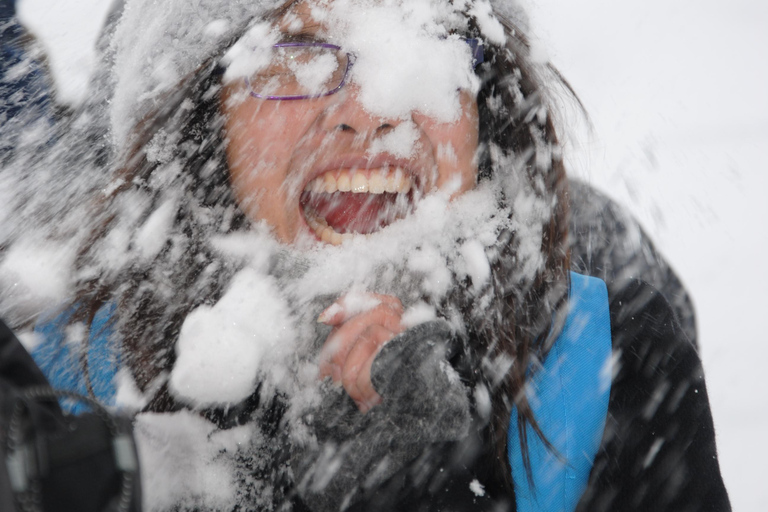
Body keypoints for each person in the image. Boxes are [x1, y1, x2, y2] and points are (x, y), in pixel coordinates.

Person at [11, 0, 728, 511]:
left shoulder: (603, 358)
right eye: (297, 52)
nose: (373, 107)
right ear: (204, 126)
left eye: (426, 41)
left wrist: (430, 487)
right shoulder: (73, 389)